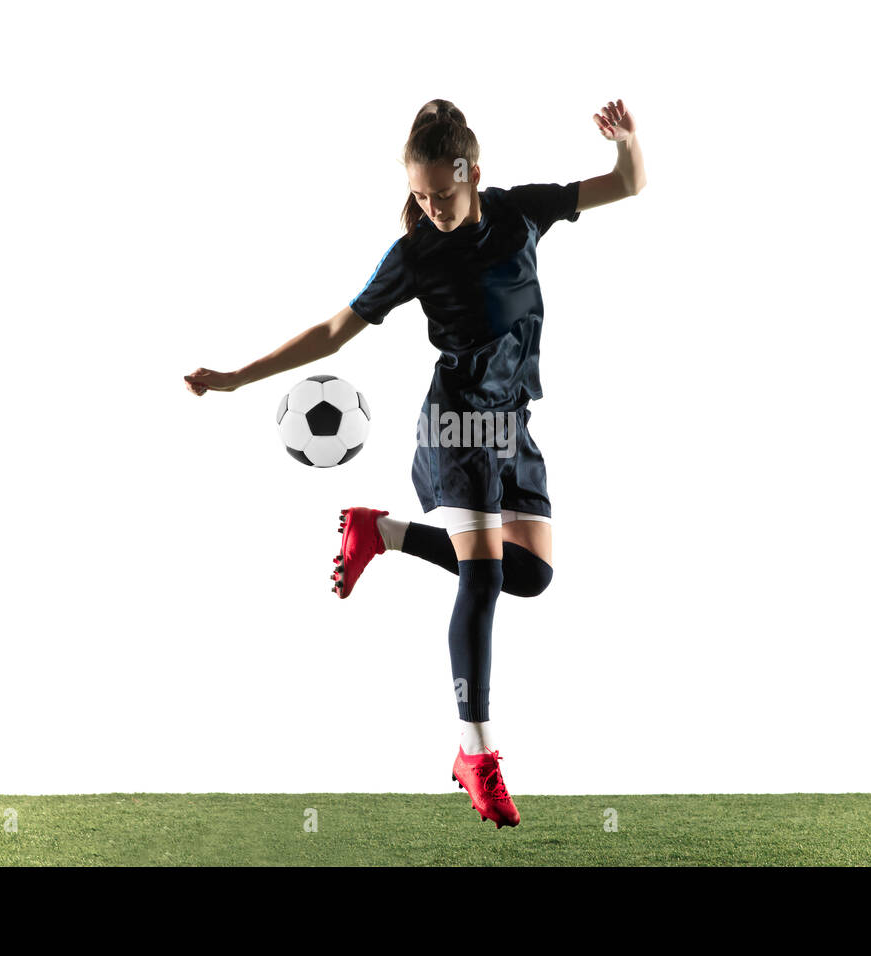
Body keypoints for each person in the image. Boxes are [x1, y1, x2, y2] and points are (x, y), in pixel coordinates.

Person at [186, 98, 646, 828]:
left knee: (530, 574)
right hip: (456, 421)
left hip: (513, 424)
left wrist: (627, 143)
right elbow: (334, 332)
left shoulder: (521, 213)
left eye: (444, 194)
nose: (431, 208)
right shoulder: (415, 255)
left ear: (474, 176)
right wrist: (239, 377)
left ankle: (382, 532)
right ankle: (478, 754)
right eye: (420, 196)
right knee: (486, 575)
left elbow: (626, 185)